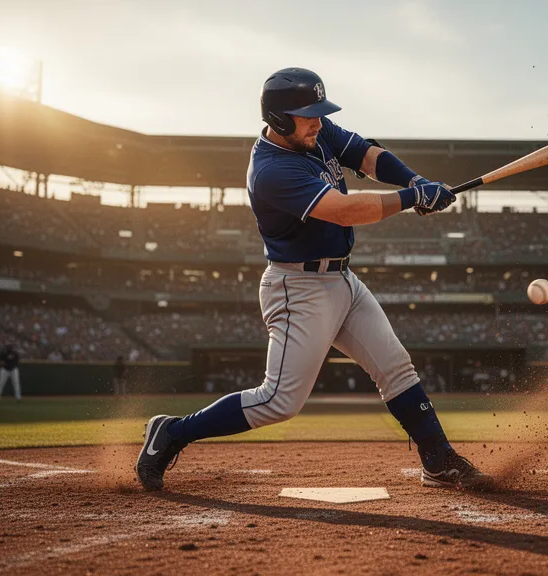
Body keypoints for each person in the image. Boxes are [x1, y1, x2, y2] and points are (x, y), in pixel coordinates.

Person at [136, 67, 490, 491]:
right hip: (298, 288)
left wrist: (413, 180)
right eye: (309, 115)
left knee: (396, 367)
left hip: (342, 280)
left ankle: (438, 459)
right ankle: (173, 432)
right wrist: (414, 197)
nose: (318, 122)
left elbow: (365, 154)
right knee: (278, 401)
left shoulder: (314, 132)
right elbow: (344, 209)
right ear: (280, 119)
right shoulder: (270, 171)